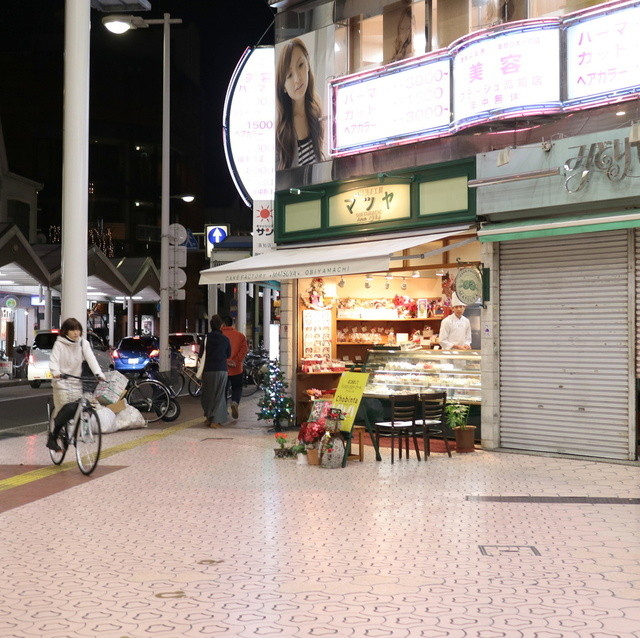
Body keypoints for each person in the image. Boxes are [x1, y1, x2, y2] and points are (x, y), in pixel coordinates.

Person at [46, 317, 106, 451]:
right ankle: (53, 437)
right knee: (66, 410)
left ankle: (71, 433)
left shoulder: (82, 343)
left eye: (78, 329)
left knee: (81, 408)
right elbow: (53, 361)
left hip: (76, 382)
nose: (76, 332)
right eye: (72, 329)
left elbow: (92, 359)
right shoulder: (59, 344)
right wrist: (55, 372)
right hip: (61, 383)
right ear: (65, 331)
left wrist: (99, 373)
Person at [276, 37, 324, 170]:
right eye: (289, 75)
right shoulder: (280, 131)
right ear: (283, 86)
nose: (297, 79)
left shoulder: (317, 110)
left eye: (300, 65)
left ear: (308, 64)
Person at [197, 314, 231, 428]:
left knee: (208, 394)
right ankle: (215, 421)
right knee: (219, 395)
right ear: (221, 326)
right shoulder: (225, 339)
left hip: (208, 370)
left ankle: (208, 418)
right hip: (221, 369)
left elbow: (201, 354)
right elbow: (228, 354)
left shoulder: (206, 338)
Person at [221, 315, 249, 419]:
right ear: (232, 324)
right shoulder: (240, 336)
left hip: (222, 368)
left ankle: (223, 410)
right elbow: (244, 350)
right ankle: (235, 402)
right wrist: (235, 361)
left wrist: (226, 361)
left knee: (223, 389)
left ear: (223, 324)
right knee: (237, 387)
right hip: (236, 368)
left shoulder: (220, 335)